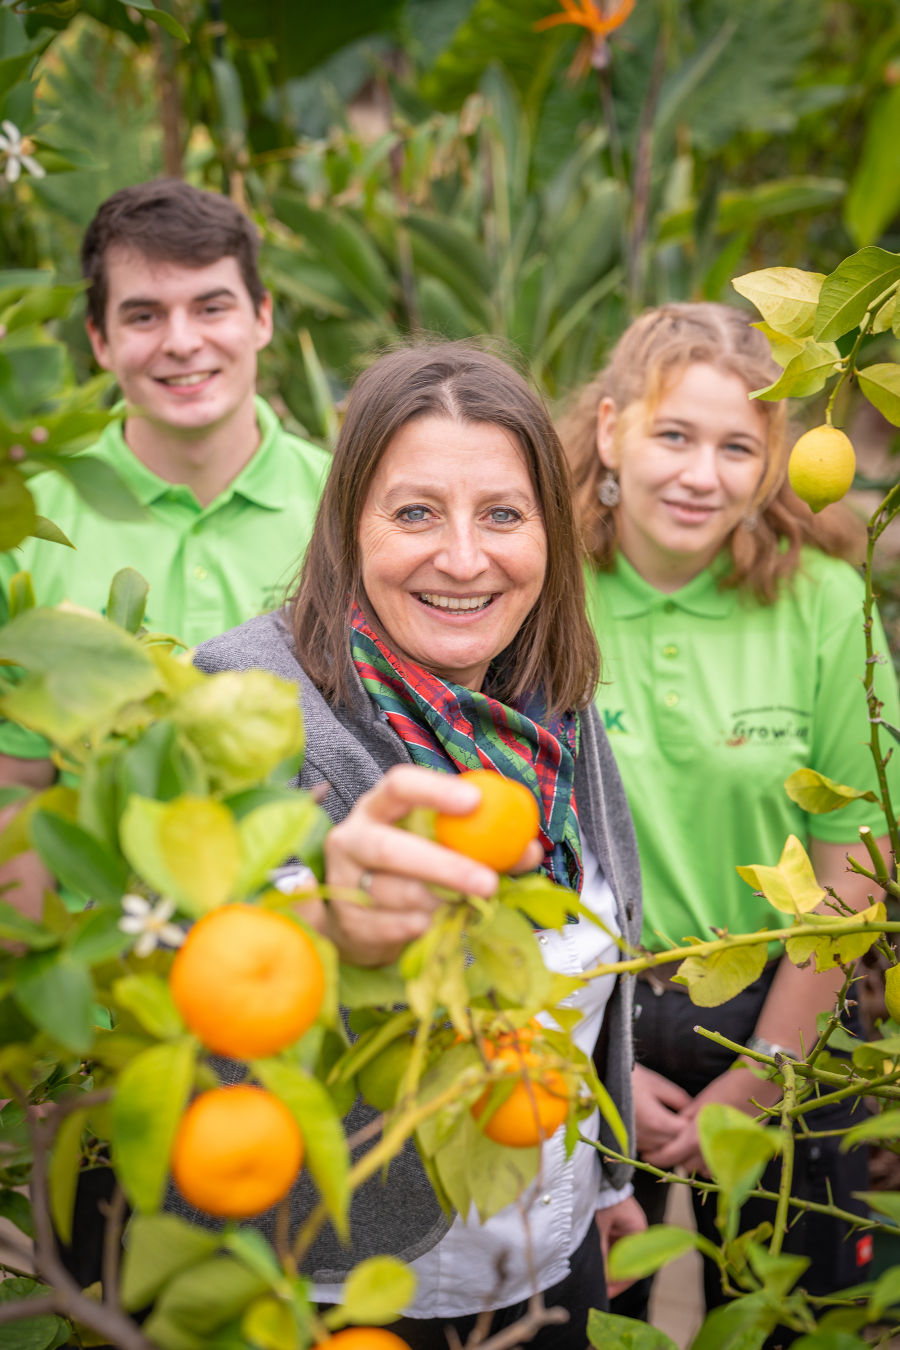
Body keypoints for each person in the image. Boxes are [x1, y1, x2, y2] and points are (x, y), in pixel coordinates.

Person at [191, 340, 645, 1349]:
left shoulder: (551, 713)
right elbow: (191, 973)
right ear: (346, 526)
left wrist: (603, 1181)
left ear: (549, 536)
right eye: (413, 513)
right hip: (336, 1292)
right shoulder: (240, 708)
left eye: (502, 514)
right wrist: (326, 932)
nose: (465, 558)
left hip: (550, 1264)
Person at [558, 301, 900, 1322]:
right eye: (673, 434)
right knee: (573, 1323)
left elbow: (857, 858)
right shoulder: (540, 592)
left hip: (782, 1015)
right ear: (612, 427)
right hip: (578, 1018)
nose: (701, 474)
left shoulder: (823, 603)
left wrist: (759, 1081)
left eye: (736, 446)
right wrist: (591, 1072)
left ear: (776, 460)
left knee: (802, 1319)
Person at [0, 179, 331, 918]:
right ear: (99, 340)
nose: (182, 341)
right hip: (106, 992)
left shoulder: (352, 512)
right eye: (144, 315)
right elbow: (14, 789)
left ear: (262, 318)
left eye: (211, 307)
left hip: (308, 977)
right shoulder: (23, 523)